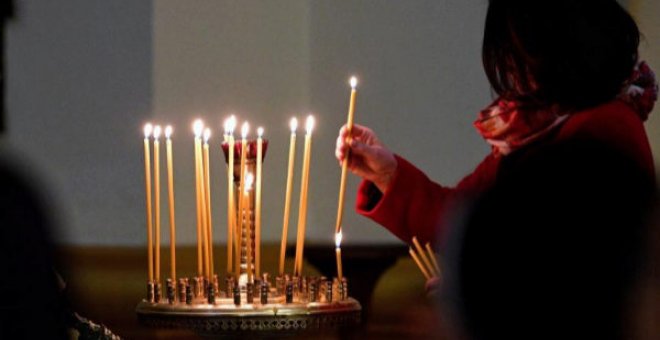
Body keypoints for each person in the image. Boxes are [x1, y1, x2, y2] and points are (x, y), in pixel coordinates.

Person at [335, 0, 657, 250]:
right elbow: (464, 220)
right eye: (507, 54)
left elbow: (591, 264)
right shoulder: (536, 126)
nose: (512, 71)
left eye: (520, 53)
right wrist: (388, 175)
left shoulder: (603, 128)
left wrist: (486, 283)